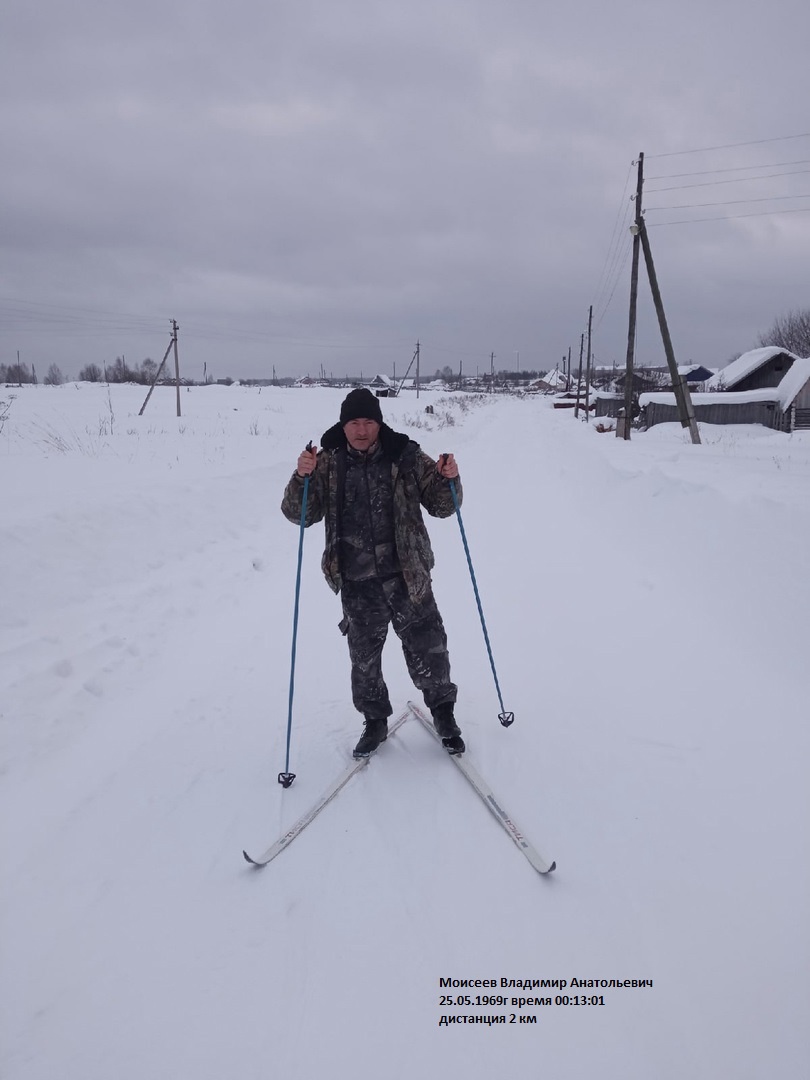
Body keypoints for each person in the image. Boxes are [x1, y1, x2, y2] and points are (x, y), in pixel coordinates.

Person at [281, 387, 465, 759]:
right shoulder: (327, 462)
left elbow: (444, 506)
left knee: (430, 649)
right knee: (364, 660)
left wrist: (450, 478)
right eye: (354, 423)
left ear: (379, 423)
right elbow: (299, 514)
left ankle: (444, 715)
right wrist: (301, 478)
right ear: (343, 425)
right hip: (357, 581)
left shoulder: (407, 456)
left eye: (368, 422)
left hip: (407, 577)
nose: (361, 430)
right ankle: (375, 721)